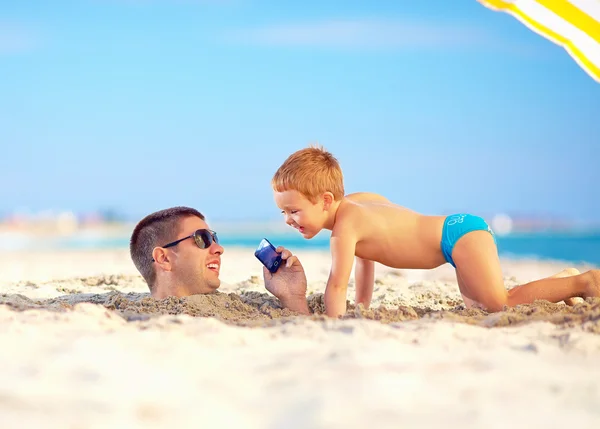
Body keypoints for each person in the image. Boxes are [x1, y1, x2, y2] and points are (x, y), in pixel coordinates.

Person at [270, 144, 600, 318]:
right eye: (283, 212)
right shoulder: (358, 203)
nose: (288, 219)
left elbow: (336, 284)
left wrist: (334, 323)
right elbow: (364, 260)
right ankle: (561, 282)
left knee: (501, 303)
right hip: (456, 232)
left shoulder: (344, 230)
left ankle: (585, 282)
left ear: (326, 200)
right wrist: (364, 306)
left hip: (456, 240)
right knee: (479, 308)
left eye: (293, 210)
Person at [129, 206, 311, 314]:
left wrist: (293, 298)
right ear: (164, 258)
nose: (219, 249)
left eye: (214, 239)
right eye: (203, 239)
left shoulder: (242, 309)